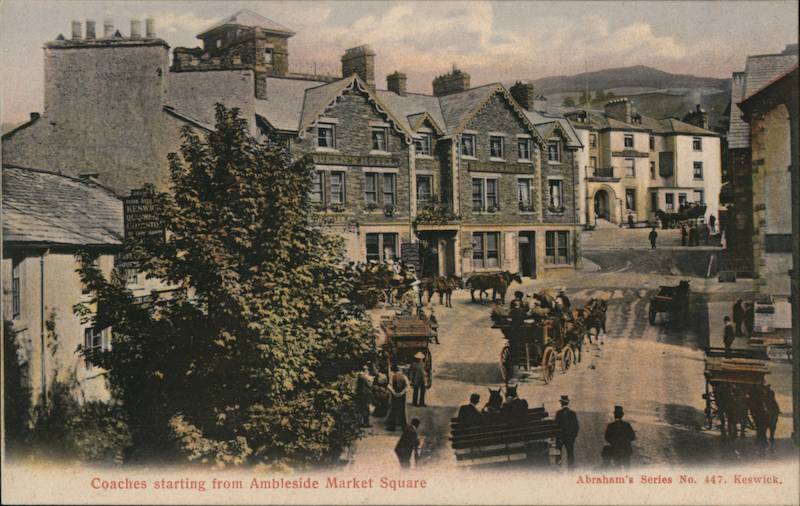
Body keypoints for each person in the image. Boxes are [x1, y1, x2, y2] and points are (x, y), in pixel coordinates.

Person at [555, 395, 579, 468]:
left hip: (561, 437)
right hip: (570, 437)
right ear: (568, 403)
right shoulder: (572, 413)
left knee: (558, 453)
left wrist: (558, 436)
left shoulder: (558, 413)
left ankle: (558, 466)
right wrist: (573, 436)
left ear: (561, 403)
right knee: (570, 453)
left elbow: (556, 426)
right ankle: (571, 468)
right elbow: (576, 426)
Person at [386, 365, 408, 431]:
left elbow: (389, 386)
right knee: (402, 411)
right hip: (402, 396)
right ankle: (403, 426)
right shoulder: (404, 377)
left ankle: (392, 426)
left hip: (394, 396)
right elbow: (407, 387)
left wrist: (394, 392)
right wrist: (402, 392)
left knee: (393, 410)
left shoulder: (393, 377)